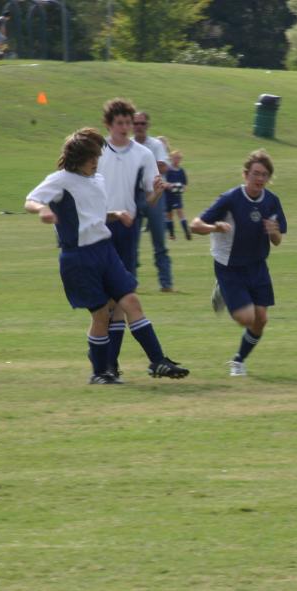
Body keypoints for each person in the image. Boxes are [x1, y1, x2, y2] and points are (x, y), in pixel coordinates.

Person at [23, 127, 188, 384]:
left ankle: (158, 361)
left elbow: (94, 215)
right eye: (92, 158)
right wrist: (42, 210)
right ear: (77, 158)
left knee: (131, 301)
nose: (96, 162)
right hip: (78, 257)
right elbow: (30, 200)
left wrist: (117, 214)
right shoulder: (60, 180)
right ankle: (100, 373)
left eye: (98, 157)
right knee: (101, 314)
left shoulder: (96, 179)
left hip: (105, 251)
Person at [191, 150, 287, 377]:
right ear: (245, 175)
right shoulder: (230, 199)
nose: (259, 179)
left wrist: (273, 233)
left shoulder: (272, 201)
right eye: (255, 173)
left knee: (261, 319)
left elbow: (278, 241)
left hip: (257, 266)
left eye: (264, 175)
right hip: (229, 267)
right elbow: (195, 225)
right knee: (246, 319)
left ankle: (238, 360)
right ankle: (222, 290)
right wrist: (215, 227)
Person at [96, 98, 166, 381]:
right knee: (107, 303)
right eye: (120, 123)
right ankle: (106, 366)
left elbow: (148, 200)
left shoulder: (143, 154)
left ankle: (109, 366)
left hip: (126, 229)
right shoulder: (97, 149)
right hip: (99, 227)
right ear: (109, 125)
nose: (125, 128)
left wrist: (158, 192)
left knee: (120, 299)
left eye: (128, 122)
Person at [132, 111, 174, 292]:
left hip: (155, 194)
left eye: (142, 123)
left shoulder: (155, 144)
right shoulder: (129, 145)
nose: (139, 126)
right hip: (134, 195)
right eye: (136, 123)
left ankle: (166, 284)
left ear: (147, 125)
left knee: (160, 242)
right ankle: (130, 283)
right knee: (131, 242)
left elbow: (164, 166)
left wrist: (141, 166)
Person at [164, 150, 191, 241]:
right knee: (169, 215)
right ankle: (171, 235)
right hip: (168, 196)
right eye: (175, 158)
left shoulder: (181, 171)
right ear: (171, 158)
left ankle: (186, 232)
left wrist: (182, 188)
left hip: (177, 196)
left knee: (180, 212)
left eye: (179, 158)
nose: (177, 160)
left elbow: (185, 184)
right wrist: (170, 186)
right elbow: (164, 182)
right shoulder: (167, 170)